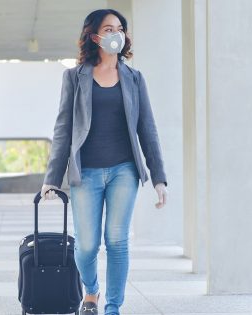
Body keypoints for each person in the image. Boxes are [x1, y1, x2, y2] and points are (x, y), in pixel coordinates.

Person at [40, 8, 168, 315]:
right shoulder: (74, 77)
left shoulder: (134, 79)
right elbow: (63, 129)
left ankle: (112, 308)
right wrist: (52, 177)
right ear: (95, 36)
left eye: (120, 28)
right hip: (86, 173)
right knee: (86, 247)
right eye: (109, 29)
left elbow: (147, 129)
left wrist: (159, 177)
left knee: (117, 240)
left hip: (124, 169)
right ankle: (92, 290)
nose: (116, 34)